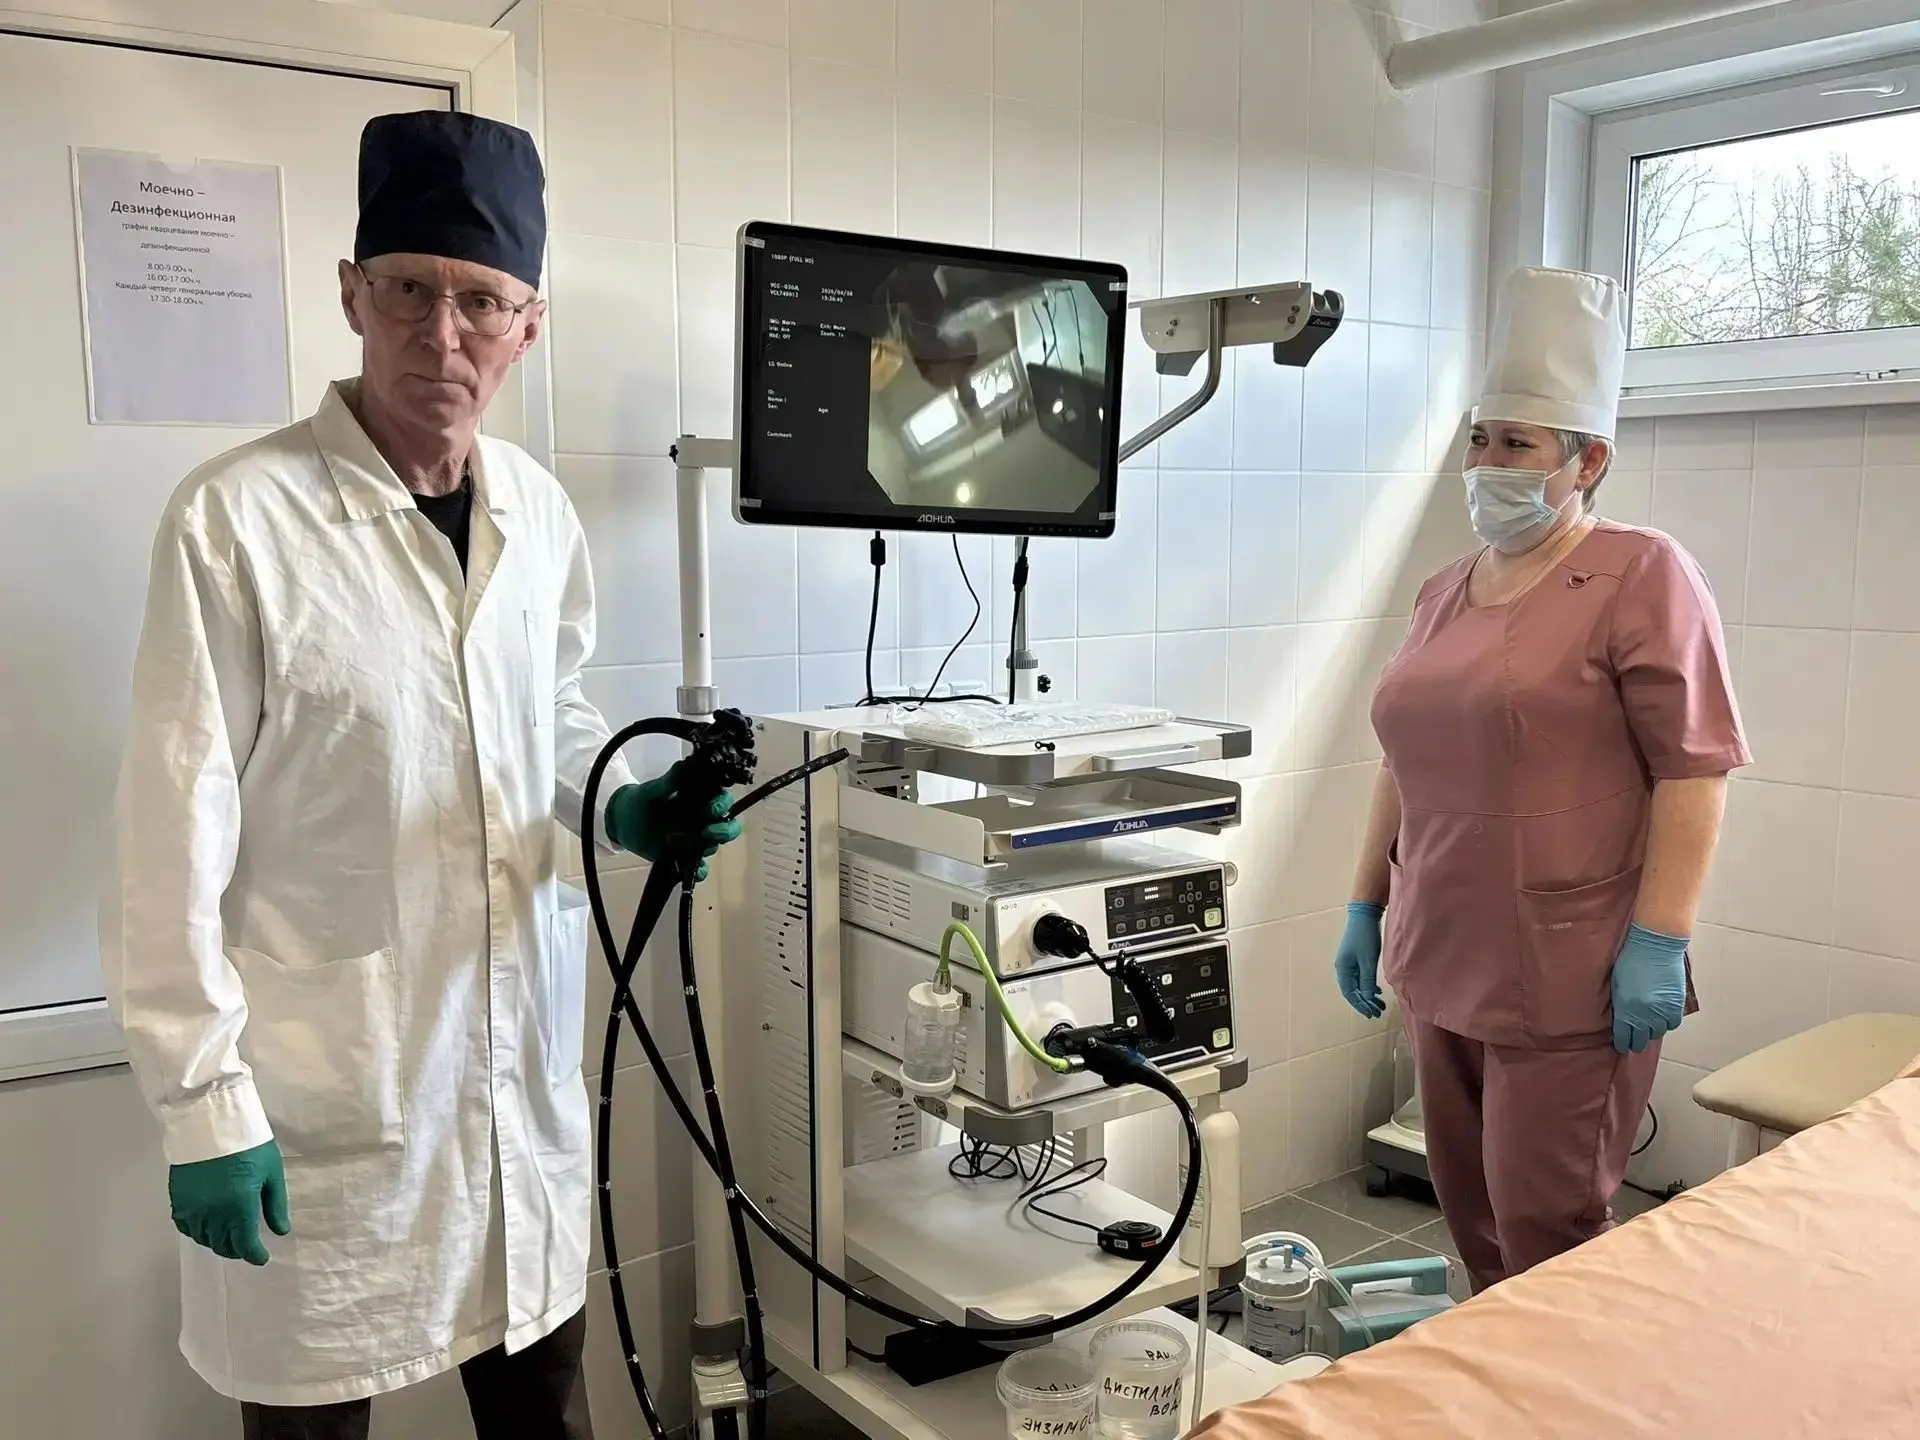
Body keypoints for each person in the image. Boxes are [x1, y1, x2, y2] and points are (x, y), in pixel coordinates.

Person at [101, 111, 738, 1439]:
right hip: (325, 1102)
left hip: (514, 1084)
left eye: (480, 302)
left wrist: (619, 802)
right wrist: (203, 1106)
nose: (442, 337)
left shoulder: (536, 512)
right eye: (408, 292)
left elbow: (549, 719)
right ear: (352, 295)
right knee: (313, 1423)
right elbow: (170, 831)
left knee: (542, 1405)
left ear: (528, 326)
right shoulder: (237, 520)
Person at [1332, 266, 1749, 1295]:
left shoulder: (1642, 572)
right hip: (1442, 950)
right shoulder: (1444, 590)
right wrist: (1364, 901)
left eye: (1516, 444)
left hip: (1572, 968)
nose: (1488, 464)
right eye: (1480, 440)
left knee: (1547, 1229)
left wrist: (1661, 939)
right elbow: (1402, 758)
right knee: (1472, 1217)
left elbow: (1694, 769)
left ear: (1587, 458)